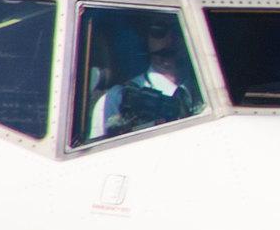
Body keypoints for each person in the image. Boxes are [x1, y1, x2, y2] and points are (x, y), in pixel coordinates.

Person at [86, 11, 201, 141]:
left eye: (178, 30)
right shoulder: (118, 99)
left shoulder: (205, 92)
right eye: (159, 30)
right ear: (145, 38)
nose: (170, 40)